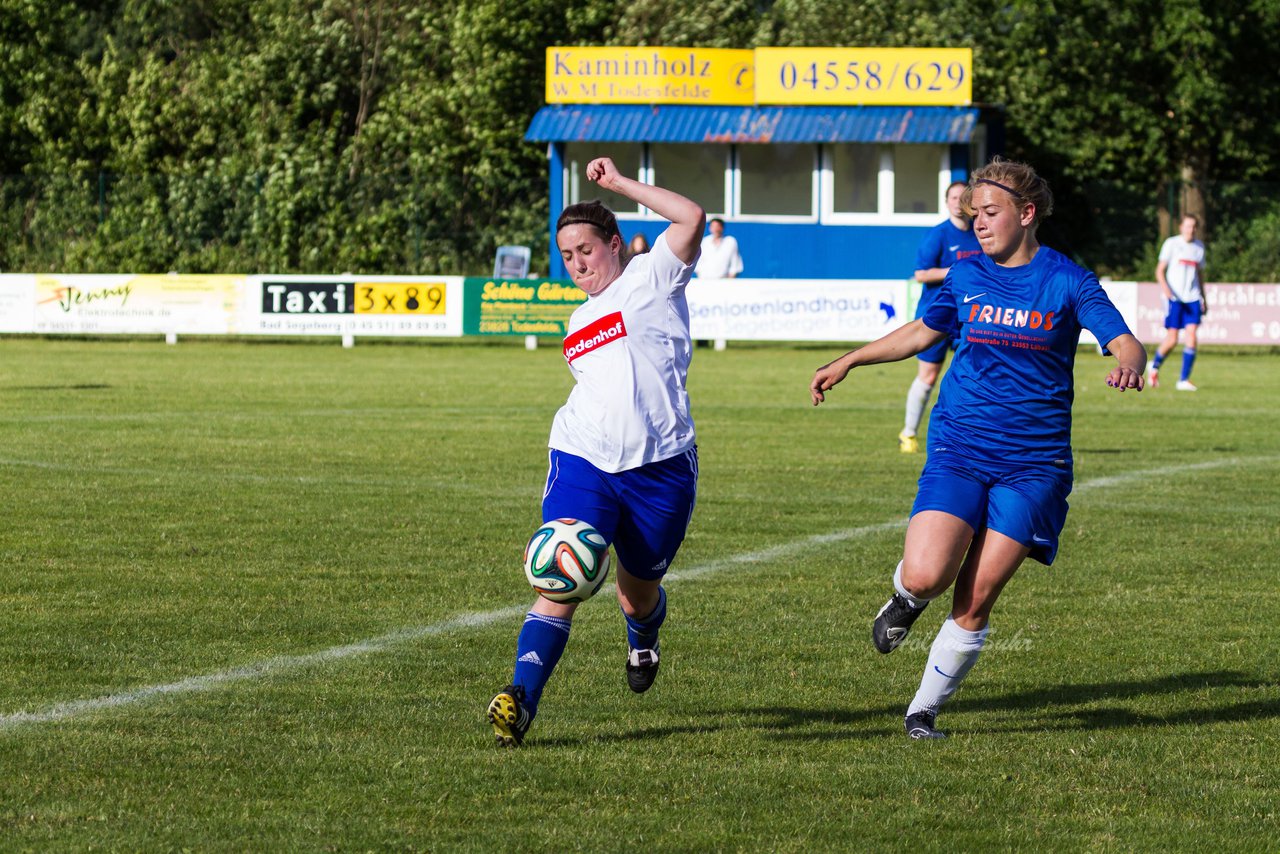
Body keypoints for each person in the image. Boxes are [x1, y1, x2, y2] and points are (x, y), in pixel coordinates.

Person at [809, 157, 1146, 740]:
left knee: (976, 596)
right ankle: (906, 597)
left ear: (1027, 213)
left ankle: (922, 712)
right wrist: (850, 360)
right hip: (960, 447)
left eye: (990, 213)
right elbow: (921, 331)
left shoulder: (1068, 280)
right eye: (975, 215)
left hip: (1033, 466)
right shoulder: (964, 274)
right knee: (926, 574)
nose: (979, 224)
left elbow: (1125, 340)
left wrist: (1128, 364)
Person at [487, 156, 705, 747]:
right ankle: (520, 700)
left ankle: (643, 639)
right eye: (567, 256)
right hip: (583, 457)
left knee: (636, 595)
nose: (578, 263)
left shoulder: (653, 276)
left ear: (615, 244)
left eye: (587, 249)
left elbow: (690, 216)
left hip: (661, 470)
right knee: (559, 577)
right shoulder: (576, 322)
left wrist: (617, 186)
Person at [899, 180, 983, 453]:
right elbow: (921, 273)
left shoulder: (980, 233)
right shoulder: (938, 235)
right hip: (935, 315)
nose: (958, 202)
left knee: (972, 374)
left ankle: (967, 438)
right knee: (929, 375)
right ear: (946, 202)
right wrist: (958, 272)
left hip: (969, 316)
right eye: (953, 197)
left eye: (963, 197)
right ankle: (909, 433)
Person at [1148, 214, 1208, 391]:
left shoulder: (1199, 248)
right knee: (1172, 339)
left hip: (1193, 298)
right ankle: (1155, 365)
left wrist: (1204, 297)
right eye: (1188, 226)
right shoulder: (1172, 244)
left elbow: (1200, 275)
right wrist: (1167, 291)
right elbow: (1159, 271)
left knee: (1191, 335)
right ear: (1181, 227)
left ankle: (1183, 380)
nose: (1191, 230)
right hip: (1175, 298)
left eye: (1194, 227)